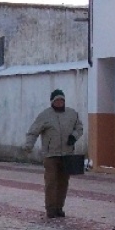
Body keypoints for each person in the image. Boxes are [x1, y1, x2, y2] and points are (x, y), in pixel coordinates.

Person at [22, 89, 85, 219]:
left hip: (67, 154)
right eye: (57, 100)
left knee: (63, 183)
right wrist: (28, 146)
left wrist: (74, 136)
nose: (59, 102)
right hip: (50, 155)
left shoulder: (72, 114)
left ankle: (59, 207)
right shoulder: (45, 115)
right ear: (52, 102)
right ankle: (50, 208)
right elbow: (34, 131)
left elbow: (79, 128)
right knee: (51, 182)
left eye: (61, 100)